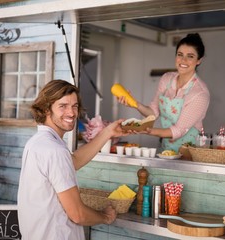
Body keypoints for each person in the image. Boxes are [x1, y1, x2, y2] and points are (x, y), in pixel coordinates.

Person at [17, 79, 129, 240]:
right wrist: (105, 216)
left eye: (74, 106)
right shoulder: (55, 150)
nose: (71, 113)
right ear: (46, 109)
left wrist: (107, 133)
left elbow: (74, 161)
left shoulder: (37, 142)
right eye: (63, 106)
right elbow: (78, 214)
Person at [118, 33, 210, 152]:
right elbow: (153, 113)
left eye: (190, 56)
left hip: (189, 153)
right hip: (166, 150)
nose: (183, 60)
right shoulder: (167, 79)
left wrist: (146, 130)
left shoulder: (200, 94)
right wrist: (134, 103)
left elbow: (178, 130)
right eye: (180, 54)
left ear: (199, 60)